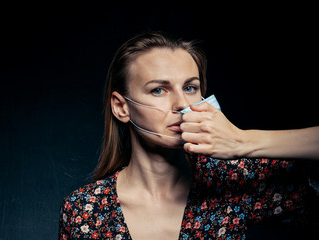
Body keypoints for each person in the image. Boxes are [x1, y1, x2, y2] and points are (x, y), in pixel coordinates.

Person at [59, 31, 318, 239]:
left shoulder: (230, 182)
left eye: (190, 87)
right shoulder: (85, 209)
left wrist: (243, 142)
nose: (181, 104)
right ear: (121, 107)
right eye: (159, 90)